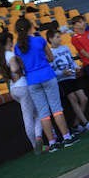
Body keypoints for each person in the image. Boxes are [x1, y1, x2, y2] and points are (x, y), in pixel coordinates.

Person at [14, 18, 78, 152]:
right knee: (56, 109)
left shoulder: (17, 47)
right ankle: (66, 137)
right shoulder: (39, 40)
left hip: (32, 80)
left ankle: (52, 142)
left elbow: (20, 66)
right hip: (47, 75)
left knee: (43, 113)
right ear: (30, 27)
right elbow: (51, 58)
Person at [0, 32, 45, 154]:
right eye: (11, 39)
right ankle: (37, 140)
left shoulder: (0, 56)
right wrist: (19, 71)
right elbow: (14, 68)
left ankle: (36, 144)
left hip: (13, 89)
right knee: (37, 114)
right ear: (8, 40)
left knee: (29, 115)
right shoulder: (10, 55)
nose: (12, 42)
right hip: (22, 86)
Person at [47, 29, 89, 134]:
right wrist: (62, 73)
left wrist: (76, 67)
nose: (60, 39)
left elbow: (72, 61)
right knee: (73, 99)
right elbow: (51, 70)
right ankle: (86, 123)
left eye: (59, 36)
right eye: (57, 37)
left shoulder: (65, 48)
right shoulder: (49, 53)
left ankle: (76, 124)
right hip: (62, 80)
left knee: (84, 99)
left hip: (72, 76)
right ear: (50, 39)